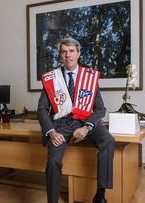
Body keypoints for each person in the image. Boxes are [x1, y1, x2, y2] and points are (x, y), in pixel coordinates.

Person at [37, 37, 115, 203]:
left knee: (108, 140)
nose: (68, 55)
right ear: (60, 55)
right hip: (60, 124)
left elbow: (100, 108)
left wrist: (86, 128)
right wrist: (51, 132)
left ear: (78, 53)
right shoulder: (52, 78)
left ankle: (100, 195)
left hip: (85, 121)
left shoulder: (90, 77)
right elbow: (42, 109)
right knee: (53, 161)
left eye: (71, 51)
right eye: (64, 52)